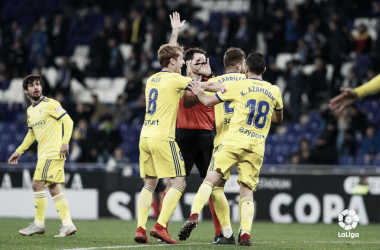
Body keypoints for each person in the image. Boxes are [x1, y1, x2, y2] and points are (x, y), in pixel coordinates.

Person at [178, 53, 283, 246]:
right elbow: (279, 118)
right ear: (264, 70)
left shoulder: (236, 85)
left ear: (247, 69)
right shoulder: (274, 90)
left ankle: (196, 216)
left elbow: (207, 98)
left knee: (211, 182)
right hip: (256, 146)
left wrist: (195, 84)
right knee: (247, 191)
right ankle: (246, 233)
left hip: (230, 141)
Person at [134, 43, 224, 245]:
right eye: (182, 59)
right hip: (164, 137)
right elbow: (204, 89)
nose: (183, 62)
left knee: (149, 184)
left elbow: (169, 53)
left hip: (145, 135)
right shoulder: (177, 79)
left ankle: (141, 229)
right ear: (173, 61)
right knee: (178, 181)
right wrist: (226, 87)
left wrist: (174, 34)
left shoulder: (151, 79)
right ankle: (160, 226)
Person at [167, 12, 223, 242]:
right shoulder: (180, 79)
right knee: (174, 182)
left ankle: (220, 232)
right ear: (187, 63)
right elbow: (169, 58)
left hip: (208, 136)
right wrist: (175, 32)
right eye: (197, 61)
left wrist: (206, 80)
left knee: (213, 184)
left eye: (204, 60)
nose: (203, 63)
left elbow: (221, 89)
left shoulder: (212, 79)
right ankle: (162, 228)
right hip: (184, 135)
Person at [185, 47, 247, 245]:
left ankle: (226, 233)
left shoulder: (216, 82)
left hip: (223, 141)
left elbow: (200, 94)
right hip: (248, 140)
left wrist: (202, 74)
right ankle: (245, 233)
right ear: (240, 65)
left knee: (215, 186)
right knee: (246, 189)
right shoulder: (249, 83)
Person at [8, 75, 76, 237]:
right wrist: (19, 151)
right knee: (54, 188)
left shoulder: (51, 104)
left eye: (38, 84)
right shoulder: (30, 111)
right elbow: (31, 134)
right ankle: (67, 224)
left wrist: (65, 141)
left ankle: (39, 224)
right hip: (45, 153)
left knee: (36, 184)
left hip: (53, 152)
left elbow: (68, 121)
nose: (36, 87)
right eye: (32, 85)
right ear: (26, 90)